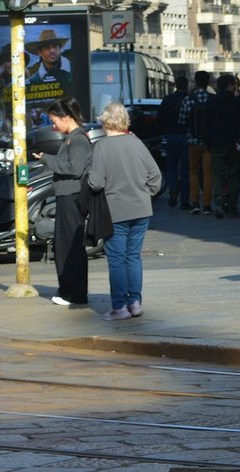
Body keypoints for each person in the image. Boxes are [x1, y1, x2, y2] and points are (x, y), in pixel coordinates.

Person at [87, 101, 163, 322]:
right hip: (141, 209)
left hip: (116, 210)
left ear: (104, 121)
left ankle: (119, 307)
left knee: (117, 260)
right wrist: (145, 193)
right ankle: (135, 303)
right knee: (133, 257)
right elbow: (155, 177)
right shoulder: (136, 143)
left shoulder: (101, 146)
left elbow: (96, 183)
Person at [34, 97, 92, 308]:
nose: (53, 125)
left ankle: (73, 292)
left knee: (69, 247)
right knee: (66, 245)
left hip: (71, 197)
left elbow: (74, 168)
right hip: (67, 196)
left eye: (54, 120)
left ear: (66, 118)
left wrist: (47, 159)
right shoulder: (73, 138)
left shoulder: (77, 140)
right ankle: (69, 290)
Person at [206, 74, 240, 218]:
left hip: (216, 142)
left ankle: (217, 201)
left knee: (217, 173)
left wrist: (208, 142)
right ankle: (232, 205)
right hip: (233, 143)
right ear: (230, 85)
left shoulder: (211, 102)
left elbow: (206, 124)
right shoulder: (237, 103)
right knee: (233, 174)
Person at [182, 71, 215, 214]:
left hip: (193, 142)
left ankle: (194, 202)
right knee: (208, 173)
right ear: (208, 83)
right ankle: (207, 205)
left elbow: (182, 121)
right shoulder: (213, 99)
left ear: (195, 82)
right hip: (209, 142)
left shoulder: (188, 100)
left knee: (193, 172)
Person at [157, 75, 190, 209]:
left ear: (176, 85)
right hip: (187, 137)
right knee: (186, 169)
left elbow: (160, 118)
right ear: (186, 86)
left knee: (171, 166)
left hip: (171, 136)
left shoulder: (167, 100)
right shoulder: (189, 100)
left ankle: (173, 189)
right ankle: (185, 200)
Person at [24, 30, 74, 97]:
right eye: (47, 48)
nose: (52, 50)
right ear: (39, 52)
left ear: (59, 49)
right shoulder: (34, 80)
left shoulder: (74, 69)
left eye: (55, 46)